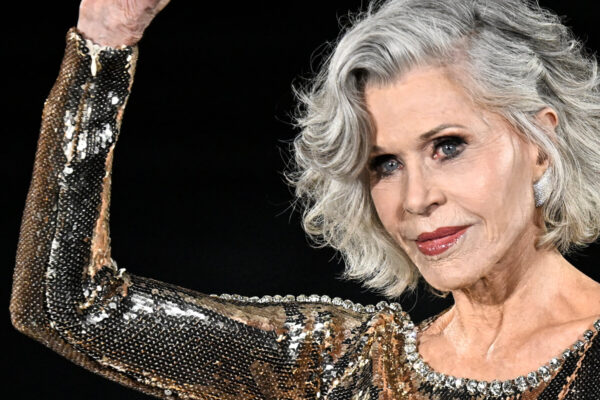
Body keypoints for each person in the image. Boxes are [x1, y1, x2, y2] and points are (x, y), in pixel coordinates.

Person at [9, 0, 600, 399]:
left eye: (448, 146)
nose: (417, 199)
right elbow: (67, 307)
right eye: (385, 165)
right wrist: (104, 43)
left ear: (539, 146)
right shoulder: (339, 366)